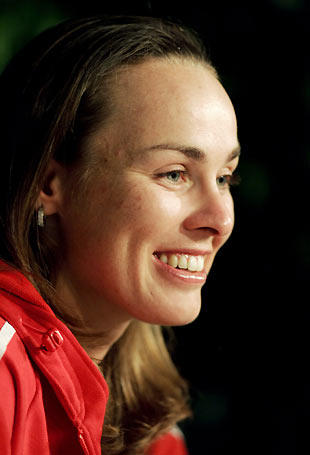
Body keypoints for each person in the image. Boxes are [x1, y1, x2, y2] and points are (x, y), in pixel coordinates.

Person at [0, 14, 240, 455]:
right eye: (174, 173)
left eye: (225, 177)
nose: (220, 219)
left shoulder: (154, 429)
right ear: (49, 184)